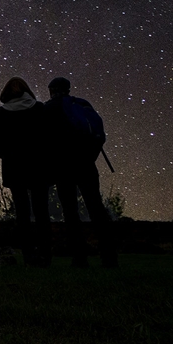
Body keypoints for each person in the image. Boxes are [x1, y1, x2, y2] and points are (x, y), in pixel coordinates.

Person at [44, 77, 118, 268]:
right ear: (68, 89)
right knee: (96, 207)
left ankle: (79, 257)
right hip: (86, 164)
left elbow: (43, 141)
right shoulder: (82, 105)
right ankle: (109, 256)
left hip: (62, 166)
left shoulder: (48, 108)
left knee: (70, 211)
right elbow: (97, 135)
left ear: (52, 90)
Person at [0, 77, 52, 267]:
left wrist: (5, 155)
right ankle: (45, 255)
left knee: (22, 213)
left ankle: (28, 255)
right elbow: (49, 135)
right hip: (39, 165)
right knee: (42, 211)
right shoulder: (39, 108)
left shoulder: (1, 112)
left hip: (14, 166)